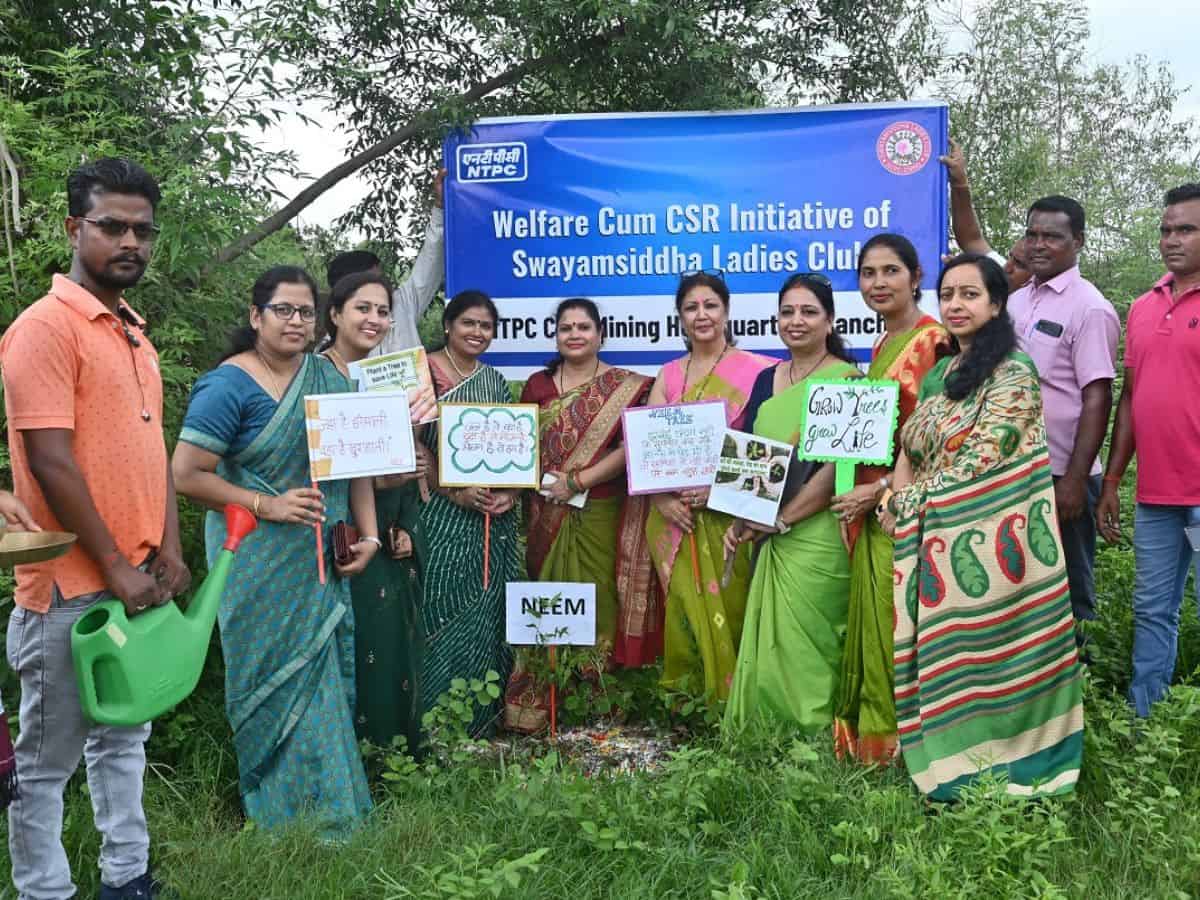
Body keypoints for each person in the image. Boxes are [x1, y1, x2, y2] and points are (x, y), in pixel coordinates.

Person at [0, 158, 189, 900]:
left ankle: (126, 880)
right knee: (45, 762)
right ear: (75, 228)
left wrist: (168, 549)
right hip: (69, 590)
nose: (130, 241)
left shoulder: (134, 333)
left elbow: (153, 452)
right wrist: (112, 562)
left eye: (142, 229)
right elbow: (49, 460)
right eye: (112, 226)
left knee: (124, 741)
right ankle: (46, 891)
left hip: (137, 577)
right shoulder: (44, 328)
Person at [172, 266, 378, 836]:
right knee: (271, 680)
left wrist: (370, 536)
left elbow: (355, 465)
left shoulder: (330, 380)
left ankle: (337, 813)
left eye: (305, 312)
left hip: (322, 559)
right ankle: (278, 815)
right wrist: (268, 506)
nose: (296, 321)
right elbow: (187, 475)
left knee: (323, 684)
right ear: (255, 316)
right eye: (283, 310)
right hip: (256, 561)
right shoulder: (228, 385)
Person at [881, 253, 1083, 801]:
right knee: (945, 658)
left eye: (970, 294)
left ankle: (1013, 767)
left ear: (996, 304)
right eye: (948, 294)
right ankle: (948, 760)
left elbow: (988, 458)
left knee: (990, 659)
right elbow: (911, 447)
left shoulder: (1013, 372)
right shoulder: (941, 374)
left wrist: (902, 501)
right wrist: (896, 492)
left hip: (996, 549)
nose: (955, 304)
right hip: (934, 542)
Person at [503, 299, 653, 731]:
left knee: (600, 599)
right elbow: (519, 447)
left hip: (601, 509)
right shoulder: (537, 385)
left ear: (600, 334)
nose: (574, 334)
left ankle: (596, 703)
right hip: (545, 513)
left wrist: (580, 480)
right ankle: (542, 701)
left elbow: (631, 448)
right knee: (550, 597)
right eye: (565, 327)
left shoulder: (627, 386)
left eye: (583, 327)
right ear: (556, 335)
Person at [722, 274, 859, 732]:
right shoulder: (766, 379)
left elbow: (838, 471)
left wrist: (781, 520)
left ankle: (814, 735)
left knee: (811, 641)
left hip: (817, 533)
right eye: (787, 312)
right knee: (769, 640)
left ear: (830, 320)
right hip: (767, 531)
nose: (795, 321)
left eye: (808, 312)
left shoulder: (848, 378)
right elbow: (751, 457)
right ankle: (767, 733)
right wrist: (742, 518)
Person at [831, 233, 948, 764]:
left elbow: (939, 437)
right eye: (868, 273)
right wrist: (848, 497)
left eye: (890, 271)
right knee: (877, 621)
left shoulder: (936, 342)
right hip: (866, 505)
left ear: (916, 277)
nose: (878, 283)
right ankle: (872, 741)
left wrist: (880, 491)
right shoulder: (880, 347)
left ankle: (905, 744)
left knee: (900, 623)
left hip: (908, 505)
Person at [645, 271, 774, 702]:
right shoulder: (667, 374)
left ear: (726, 311)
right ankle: (688, 704)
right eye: (691, 307)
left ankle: (736, 702)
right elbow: (646, 451)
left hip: (728, 517)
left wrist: (718, 492)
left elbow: (762, 451)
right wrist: (662, 499)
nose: (701, 315)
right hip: (672, 519)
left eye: (710, 305)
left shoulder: (760, 373)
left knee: (733, 609)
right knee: (682, 610)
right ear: (680, 317)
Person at [320, 270, 435, 753]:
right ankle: (342, 759)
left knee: (388, 643)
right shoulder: (313, 376)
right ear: (335, 314)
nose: (374, 319)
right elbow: (316, 463)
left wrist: (406, 521)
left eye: (383, 311)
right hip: (329, 533)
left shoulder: (390, 379)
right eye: (362, 308)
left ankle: (389, 755)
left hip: (385, 531)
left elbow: (403, 468)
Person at [1098, 184, 1200, 717]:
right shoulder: (1142, 306)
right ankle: (1145, 721)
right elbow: (1132, 399)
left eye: (1186, 229)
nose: (1171, 240)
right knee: (1152, 610)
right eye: (1165, 230)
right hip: (1157, 494)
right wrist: (1113, 480)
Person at [1008, 196, 1119, 629]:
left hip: (1062, 474)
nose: (1038, 244)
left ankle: (1081, 682)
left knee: (1069, 588)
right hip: (1014, 468)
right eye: (1032, 234)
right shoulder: (1016, 302)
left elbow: (1097, 397)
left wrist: (1074, 480)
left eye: (1051, 236)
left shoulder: (1089, 308)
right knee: (1018, 584)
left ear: (1078, 241)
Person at [421, 290, 521, 735]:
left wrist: (512, 495)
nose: (477, 333)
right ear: (448, 325)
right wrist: (454, 490)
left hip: (489, 519)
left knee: (486, 610)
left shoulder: (495, 382)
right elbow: (407, 451)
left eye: (486, 326)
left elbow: (514, 451)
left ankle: (483, 722)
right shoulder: (422, 374)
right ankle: (436, 723)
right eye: (469, 324)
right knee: (438, 608)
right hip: (438, 515)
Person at [325, 168, 446, 354]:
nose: (381, 288)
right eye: (372, 282)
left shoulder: (400, 305)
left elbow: (430, 262)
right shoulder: (326, 358)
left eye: (381, 280)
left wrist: (439, 207)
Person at [939, 141, 1031, 292]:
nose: (1007, 267)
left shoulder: (1046, 310)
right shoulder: (1000, 275)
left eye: (1020, 265)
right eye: (1010, 257)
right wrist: (959, 182)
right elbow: (971, 239)